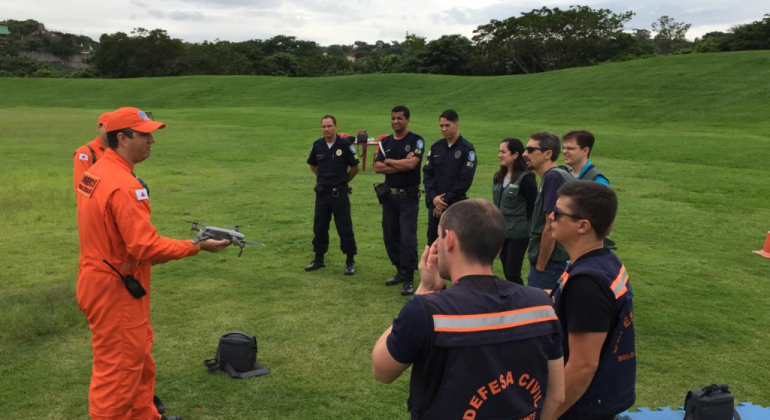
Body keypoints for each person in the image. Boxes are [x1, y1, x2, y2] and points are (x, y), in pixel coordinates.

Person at [76, 107, 230, 420]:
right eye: (144, 135)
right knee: (118, 372)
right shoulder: (123, 185)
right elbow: (144, 246)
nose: (151, 141)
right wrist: (196, 246)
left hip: (105, 278)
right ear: (122, 138)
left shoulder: (96, 172)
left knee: (139, 359)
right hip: (115, 287)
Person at [372, 199, 565, 420]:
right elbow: (557, 395)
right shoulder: (542, 304)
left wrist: (424, 289)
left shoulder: (427, 311)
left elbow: (382, 369)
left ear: (450, 239)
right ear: (498, 248)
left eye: (440, 236)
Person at [546, 182, 635, 420]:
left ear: (583, 226)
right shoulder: (603, 260)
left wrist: (546, 415)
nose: (551, 217)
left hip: (581, 408)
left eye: (559, 212)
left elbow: (583, 366)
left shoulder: (587, 284)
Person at [374, 106, 425, 296]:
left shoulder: (416, 140)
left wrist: (390, 162)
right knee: (390, 235)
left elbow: (412, 164)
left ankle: (410, 278)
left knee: (407, 237)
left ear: (407, 120)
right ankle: (400, 271)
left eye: (399, 118)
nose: (395, 122)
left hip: (408, 197)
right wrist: (401, 164)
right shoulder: (385, 142)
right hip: (389, 196)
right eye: (393, 118)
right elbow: (377, 167)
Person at [305, 115, 360, 275]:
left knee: (344, 227)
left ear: (335, 127)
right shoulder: (318, 145)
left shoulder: (345, 145)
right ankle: (319, 258)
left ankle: (350, 261)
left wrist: (342, 182)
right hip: (322, 194)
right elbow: (313, 165)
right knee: (320, 226)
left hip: (339, 194)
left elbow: (355, 168)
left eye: (329, 126)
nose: (326, 129)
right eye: (323, 126)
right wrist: (323, 179)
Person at [523, 132, 575, 290]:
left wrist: (540, 266)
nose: (525, 154)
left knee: (539, 311)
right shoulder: (561, 174)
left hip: (551, 263)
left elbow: (550, 227)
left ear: (548, 154)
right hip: (562, 257)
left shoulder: (553, 178)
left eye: (531, 150)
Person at [423, 109, 476, 246]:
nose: (444, 129)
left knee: (453, 245)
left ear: (456, 125)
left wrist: (444, 200)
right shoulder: (436, 147)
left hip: (455, 206)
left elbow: (465, 179)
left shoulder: (467, 149)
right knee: (433, 243)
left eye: (447, 125)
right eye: (441, 126)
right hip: (434, 206)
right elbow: (428, 174)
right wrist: (434, 197)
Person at [492, 138, 537, 285]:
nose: (500, 155)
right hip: (501, 232)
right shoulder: (498, 177)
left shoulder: (526, 179)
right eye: (499, 151)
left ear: (516, 154)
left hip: (518, 234)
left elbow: (534, 207)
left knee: (512, 272)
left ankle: (520, 300)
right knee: (506, 270)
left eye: (503, 152)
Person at [73, 112, 111, 192]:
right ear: (99, 127)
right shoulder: (85, 152)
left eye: (114, 128)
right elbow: (82, 186)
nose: (111, 132)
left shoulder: (119, 152)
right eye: (108, 127)